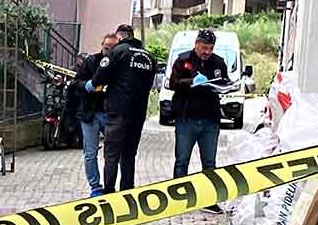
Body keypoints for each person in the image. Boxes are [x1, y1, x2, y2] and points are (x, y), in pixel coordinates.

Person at [88, 24, 156, 193]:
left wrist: (92, 84)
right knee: (129, 154)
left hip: (118, 111)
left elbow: (99, 78)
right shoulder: (149, 57)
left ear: (119, 37)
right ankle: (127, 191)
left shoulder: (117, 51)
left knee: (112, 154)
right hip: (138, 112)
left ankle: (110, 192)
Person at [168, 29, 228, 214]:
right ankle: (179, 199)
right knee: (182, 160)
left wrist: (223, 86)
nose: (207, 52)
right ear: (196, 44)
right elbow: (172, 83)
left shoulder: (218, 62)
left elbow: (225, 82)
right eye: (204, 47)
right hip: (187, 118)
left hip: (210, 119)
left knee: (209, 162)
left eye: (210, 48)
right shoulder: (183, 59)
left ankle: (209, 200)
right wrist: (192, 82)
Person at [72, 33, 119, 197]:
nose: (109, 51)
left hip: (111, 114)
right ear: (102, 46)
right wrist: (88, 85)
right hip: (90, 113)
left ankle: (110, 186)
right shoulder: (91, 61)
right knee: (90, 153)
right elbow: (76, 82)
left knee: (112, 153)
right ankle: (95, 187)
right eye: (106, 48)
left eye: (113, 48)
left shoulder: (120, 64)